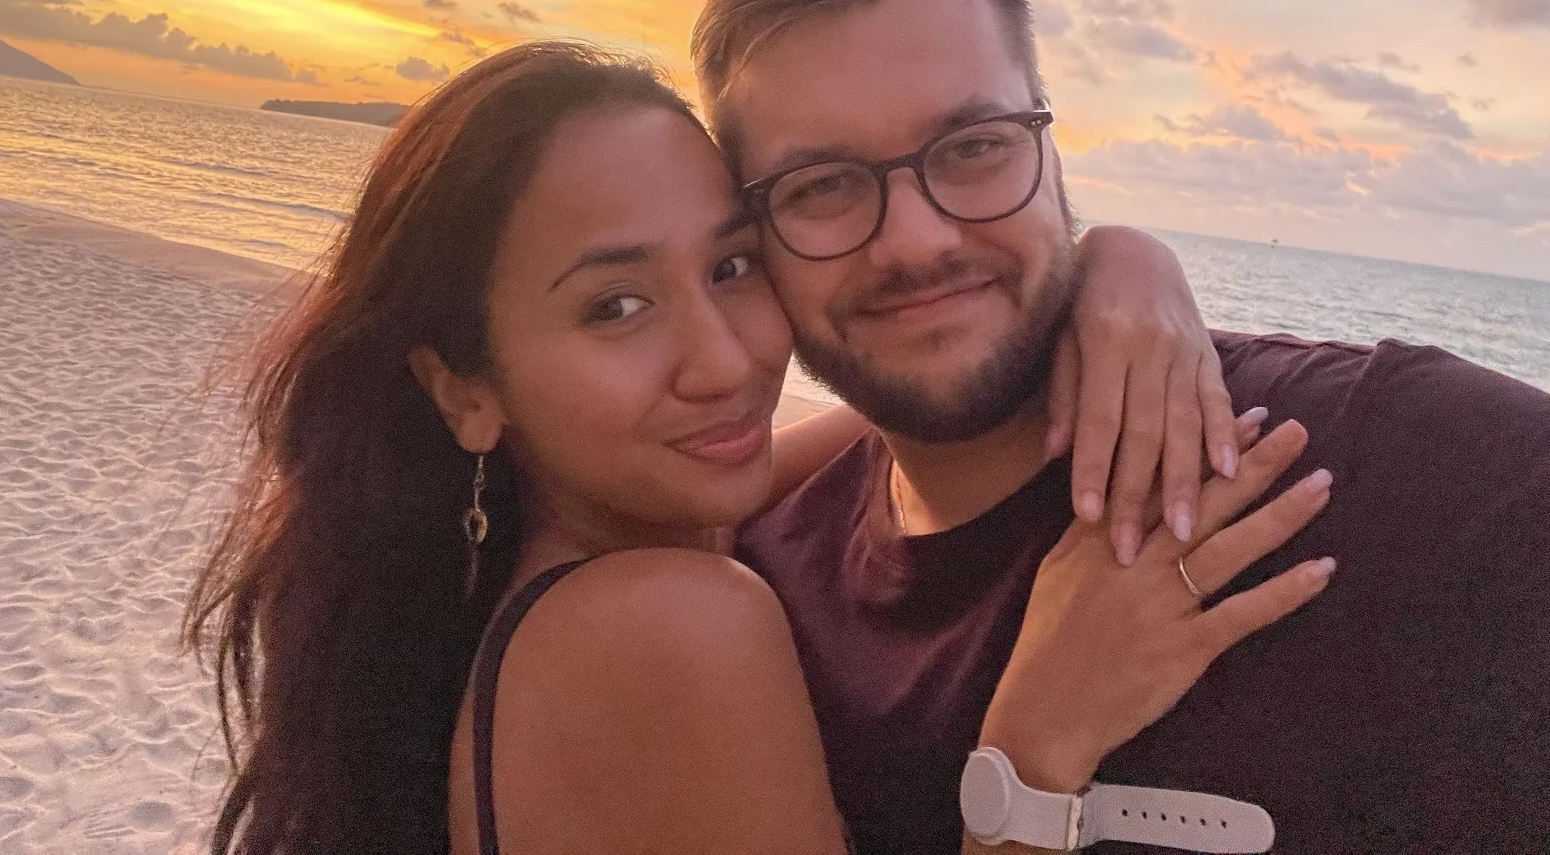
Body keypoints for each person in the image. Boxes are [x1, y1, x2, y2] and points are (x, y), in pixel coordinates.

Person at [186, 42, 1334, 855]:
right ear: (465, 392)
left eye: (732, 268)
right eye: (615, 309)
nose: (726, 362)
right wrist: (1033, 755)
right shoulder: (664, 623)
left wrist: (1117, 269)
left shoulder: (587, 564)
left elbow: (905, 414)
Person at [692, 0, 1550, 854]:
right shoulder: (755, 598)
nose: (916, 241)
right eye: (822, 184)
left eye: (972, 146)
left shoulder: (1382, 459)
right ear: (753, 238)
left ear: (1052, 157)